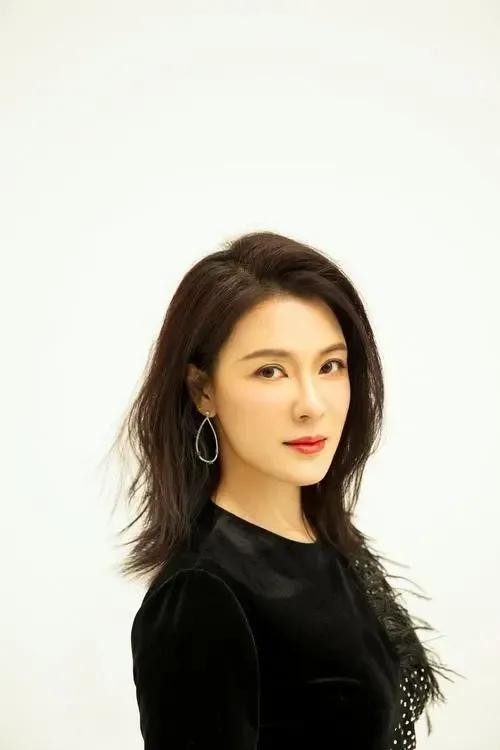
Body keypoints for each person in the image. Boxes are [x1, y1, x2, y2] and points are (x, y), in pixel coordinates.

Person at [115, 231, 456, 748]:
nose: (312, 404)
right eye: (271, 371)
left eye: (329, 366)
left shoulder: (328, 540)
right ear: (203, 389)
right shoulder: (202, 597)